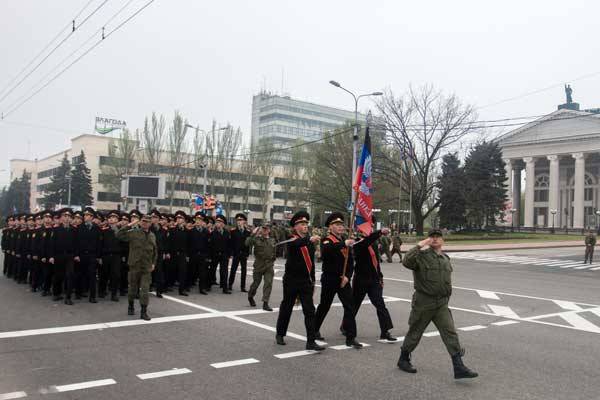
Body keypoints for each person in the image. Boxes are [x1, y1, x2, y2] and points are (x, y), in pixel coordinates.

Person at [397, 229, 478, 379]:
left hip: (441, 303)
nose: (435, 239)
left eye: (437, 237)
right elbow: (406, 261)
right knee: (415, 332)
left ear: (442, 240)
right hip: (424, 302)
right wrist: (419, 245)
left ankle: (458, 366)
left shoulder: (445, 258)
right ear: (428, 240)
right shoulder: (421, 256)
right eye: (432, 237)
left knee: (450, 333)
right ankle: (403, 358)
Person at [275, 211, 325, 351]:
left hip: (305, 282)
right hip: (291, 281)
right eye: (302, 224)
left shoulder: (309, 240)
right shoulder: (292, 238)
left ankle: (311, 341)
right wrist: (309, 240)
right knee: (287, 307)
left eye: (306, 224)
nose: (305, 226)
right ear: (295, 226)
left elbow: (312, 264)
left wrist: (313, 280)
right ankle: (280, 333)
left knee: (309, 310)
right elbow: (296, 244)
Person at [314, 212, 362, 348]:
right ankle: (314, 329)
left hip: (343, 280)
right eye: (337, 225)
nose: (340, 227)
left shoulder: (345, 241)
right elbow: (327, 251)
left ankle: (351, 337)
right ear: (330, 227)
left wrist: (347, 276)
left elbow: (351, 262)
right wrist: (343, 244)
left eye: (341, 225)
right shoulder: (327, 240)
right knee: (324, 306)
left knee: (350, 307)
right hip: (330, 279)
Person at [342, 227, 396, 341]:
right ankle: (346, 326)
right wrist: (380, 232)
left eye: (371, 227)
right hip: (361, 280)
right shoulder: (356, 243)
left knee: (380, 304)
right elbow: (366, 242)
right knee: (354, 305)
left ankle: (385, 331)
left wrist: (380, 276)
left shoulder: (373, 243)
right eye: (367, 228)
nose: (369, 229)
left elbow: (376, 261)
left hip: (374, 279)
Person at [117, 213, 157, 321]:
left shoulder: (152, 235)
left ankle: (144, 312)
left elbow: (155, 251)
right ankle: (131, 306)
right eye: (143, 221)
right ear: (140, 222)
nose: (145, 223)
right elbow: (119, 235)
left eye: (147, 222)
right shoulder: (133, 233)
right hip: (134, 265)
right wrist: (130, 224)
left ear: (150, 224)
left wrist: (153, 263)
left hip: (146, 267)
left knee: (145, 290)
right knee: (132, 289)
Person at [49, 208, 78, 305]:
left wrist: (76, 255)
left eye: (69, 216)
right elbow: (52, 244)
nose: (66, 218)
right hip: (58, 255)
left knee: (70, 275)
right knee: (58, 276)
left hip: (69, 256)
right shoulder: (56, 230)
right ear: (61, 218)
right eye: (65, 216)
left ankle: (68, 297)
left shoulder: (74, 230)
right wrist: (51, 256)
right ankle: (56, 294)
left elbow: (77, 244)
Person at [246, 222, 277, 311]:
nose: (264, 230)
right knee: (256, 283)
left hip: (269, 266)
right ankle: (250, 296)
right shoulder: (256, 239)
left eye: (266, 229)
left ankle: (265, 303)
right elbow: (247, 243)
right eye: (263, 229)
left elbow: (274, 251)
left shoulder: (272, 240)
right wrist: (253, 233)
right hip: (259, 265)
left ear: (269, 230)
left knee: (268, 284)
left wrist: (272, 260)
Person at [76, 207, 102, 303]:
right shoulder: (79, 227)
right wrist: (76, 255)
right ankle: (79, 293)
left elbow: (99, 243)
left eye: (89, 215)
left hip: (92, 255)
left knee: (92, 276)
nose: (86, 217)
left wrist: (98, 256)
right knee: (80, 275)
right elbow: (76, 243)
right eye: (85, 215)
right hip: (81, 255)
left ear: (92, 217)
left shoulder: (96, 228)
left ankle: (92, 296)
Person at [99, 210, 123, 301]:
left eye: (114, 218)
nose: (112, 219)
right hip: (105, 255)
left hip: (116, 256)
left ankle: (114, 294)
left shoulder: (121, 231)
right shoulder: (104, 230)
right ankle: (101, 291)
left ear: (117, 220)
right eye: (110, 218)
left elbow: (124, 244)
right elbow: (100, 244)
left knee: (115, 275)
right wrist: (100, 256)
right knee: (104, 274)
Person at [228, 213, 251, 292]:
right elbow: (231, 243)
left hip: (244, 254)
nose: (239, 222)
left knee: (244, 271)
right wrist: (231, 253)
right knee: (233, 269)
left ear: (244, 221)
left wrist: (247, 254)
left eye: (240, 220)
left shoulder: (248, 232)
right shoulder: (233, 231)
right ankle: (230, 284)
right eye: (237, 220)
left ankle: (243, 287)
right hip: (236, 253)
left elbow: (248, 244)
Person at [188, 211, 209, 294]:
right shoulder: (191, 231)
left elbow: (208, 244)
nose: (198, 221)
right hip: (193, 254)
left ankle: (202, 288)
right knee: (191, 271)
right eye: (197, 219)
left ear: (202, 221)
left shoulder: (206, 231)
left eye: (200, 220)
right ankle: (187, 285)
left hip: (202, 254)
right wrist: (188, 255)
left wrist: (207, 255)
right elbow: (188, 244)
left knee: (202, 273)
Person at [170, 210, 190, 296]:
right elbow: (169, 242)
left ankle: (182, 289)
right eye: (177, 218)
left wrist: (187, 255)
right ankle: (166, 286)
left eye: (180, 218)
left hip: (182, 254)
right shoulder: (172, 230)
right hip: (173, 253)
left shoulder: (187, 231)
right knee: (170, 271)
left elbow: (189, 244)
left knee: (183, 272)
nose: (178, 219)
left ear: (184, 220)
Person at [211, 215, 231, 294]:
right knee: (212, 270)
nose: (217, 223)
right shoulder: (213, 233)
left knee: (224, 272)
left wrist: (229, 255)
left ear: (223, 224)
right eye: (217, 222)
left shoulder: (227, 233)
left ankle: (225, 288)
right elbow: (210, 245)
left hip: (224, 255)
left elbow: (229, 245)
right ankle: (208, 285)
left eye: (219, 222)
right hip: (215, 254)